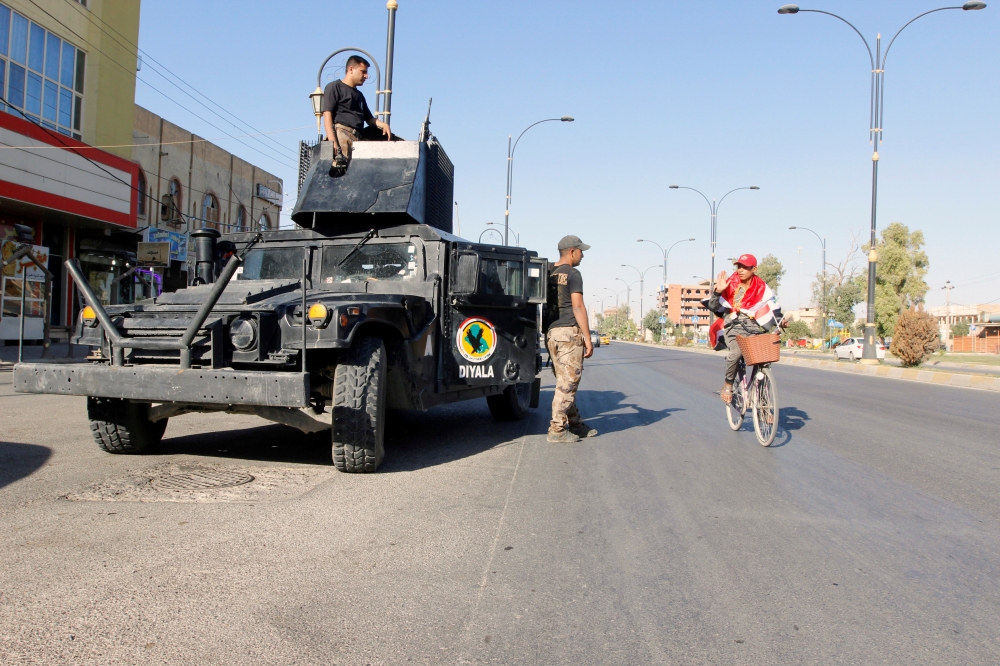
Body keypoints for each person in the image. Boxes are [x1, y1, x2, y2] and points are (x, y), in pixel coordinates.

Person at [708, 253, 783, 404]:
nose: (740, 270)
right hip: (734, 327)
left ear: (754, 269)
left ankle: (763, 403)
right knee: (736, 353)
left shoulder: (762, 288)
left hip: (755, 329)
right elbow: (713, 307)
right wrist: (718, 291)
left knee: (764, 361)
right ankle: (728, 385)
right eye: (738, 266)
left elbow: (773, 307)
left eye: (745, 267)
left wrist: (781, 320)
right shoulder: (730, 283)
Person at [545, 235, 597, 443]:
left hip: (551, 334)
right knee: (568, 383)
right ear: (572, 251)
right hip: (568, 333)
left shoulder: (546, 272)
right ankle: (557, 430)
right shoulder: (574, 273)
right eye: (581, 251)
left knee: (565, 381)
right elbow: (577, 306)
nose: (583, 255)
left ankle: (575, 425)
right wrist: (588, 337)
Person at [321, 55, 391, 164]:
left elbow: (369, 119)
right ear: (351, 69)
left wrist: (383, 125)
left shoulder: (359, 95)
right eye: (363, 72)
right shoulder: (334, 87)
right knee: (340, 170)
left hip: (358, 139)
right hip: (342, 135)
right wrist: (332, 141)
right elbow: (327, 115)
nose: (366, 76)